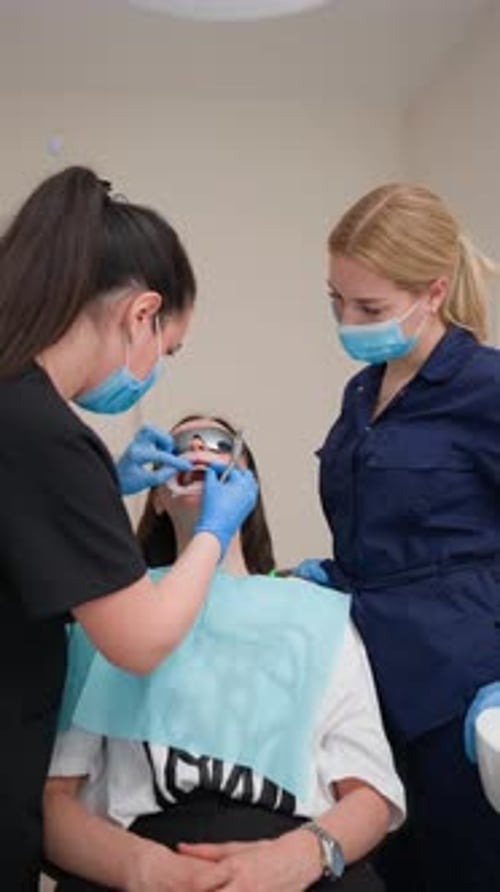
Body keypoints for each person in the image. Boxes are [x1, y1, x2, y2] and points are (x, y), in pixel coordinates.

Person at [0, 167, 257, 889]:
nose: (156, 370)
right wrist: (212, 532)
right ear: (142, 314)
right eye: (167, 350)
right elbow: (140, 640)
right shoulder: (44, 431)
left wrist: (100, 487)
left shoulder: (20, 413)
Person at [43, 415, 406, 892]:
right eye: (180, 444)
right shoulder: (112, 616)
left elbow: (370, 795)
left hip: (294, 852)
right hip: (143, 852)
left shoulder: (318, 615)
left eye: (219, 443)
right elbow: (54, 802)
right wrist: (146, 869)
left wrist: (297, 857)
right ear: (157, 496)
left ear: (247, 492)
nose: (198, 445)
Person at [294, 183, 500, 891]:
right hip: (368, 691)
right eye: (337, 302)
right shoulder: (362, 392)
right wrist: (328, 578)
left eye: (369, 308)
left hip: (460, 692)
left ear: (434, 292)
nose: (348, 322)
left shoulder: (487, 388)